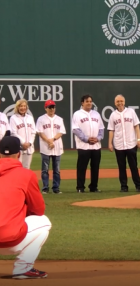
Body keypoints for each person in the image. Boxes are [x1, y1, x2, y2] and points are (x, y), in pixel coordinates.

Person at [0, 136, 52, 279]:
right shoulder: (26, 174)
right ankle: (23, 268)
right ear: (19, 154)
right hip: (11, 240)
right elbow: (39, 209)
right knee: (44, 221)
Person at [108, 94, 140, 192]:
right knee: (121, 167)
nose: (120, 103)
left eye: (121, 101)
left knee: (133, 166)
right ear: (115, 103)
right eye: (118, 101)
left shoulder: (131, 112)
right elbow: (111, 130)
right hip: (119, 144)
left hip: (131, 143)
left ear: (124, 102)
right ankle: (124, 186)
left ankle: (138, 186)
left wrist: (139, 139)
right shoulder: (113, 115)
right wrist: (110, 143)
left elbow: (136, 126)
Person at [72, 95, 104, 193]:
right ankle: (80, 187)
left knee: (95, 167)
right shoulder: (77, 114)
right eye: (87, 101)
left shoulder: (96, 114)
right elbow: (75, 129)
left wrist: (98, 138)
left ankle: (93, 187)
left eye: (90, 101)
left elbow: (101, 128)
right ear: (82, 103)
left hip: (96, 146)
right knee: (82, 167)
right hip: (83, 146)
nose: (89, 103)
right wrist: (86, 139)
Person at [36, 100, 66, 194]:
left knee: (56, 170)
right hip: (45, 146)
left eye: (53, 107)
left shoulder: (59, 119)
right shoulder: (41, 119)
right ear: (45, 108)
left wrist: (52, 140)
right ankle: (45, 188)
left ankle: (56, 188)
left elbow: (61, 132)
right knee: (45, 169)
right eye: (49, 107)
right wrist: (48, 141)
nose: (51, 109)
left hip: (57, 146)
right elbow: (40, 132)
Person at [9, 99, 36, 169]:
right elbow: (13, 133)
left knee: (27, 168)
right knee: (18, 168)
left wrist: (29, 143)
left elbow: (33, 132)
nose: (23, 108)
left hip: (29, 148)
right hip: (19, 148)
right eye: (21, 106)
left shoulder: (30, 118)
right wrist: (23, 143)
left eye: (24, 106)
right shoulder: (13, 118)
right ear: (17, 107)